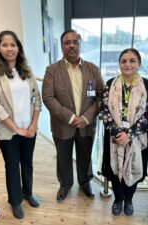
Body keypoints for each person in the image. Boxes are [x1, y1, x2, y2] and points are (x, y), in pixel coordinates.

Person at [42, 29, 104, 202]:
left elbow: (101, 96)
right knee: (63, 157)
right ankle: (65, 184)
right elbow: (47, 97)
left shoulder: (93, 69)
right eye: (67, 42)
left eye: (75, 42)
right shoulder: (52, 70)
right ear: (61, 46)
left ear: (80, 44)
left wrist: (85, 118)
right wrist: (70, 117)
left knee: (85, 155)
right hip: (62, 125)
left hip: (87, 124)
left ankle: (85, 182)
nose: (71, 45)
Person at [0, 30, 41, 219]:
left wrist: (33, 124)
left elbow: (36, 99)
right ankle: (15, 201)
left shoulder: (27, 70)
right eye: (5, 45)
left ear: (18, 48)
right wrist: (17, 129)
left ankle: (28, 192)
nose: (9, 48)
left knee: (27, 163)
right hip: (8, 131)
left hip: (29, 129)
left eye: (13, 44)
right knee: (12, 166)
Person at [100, 48, 148, 216]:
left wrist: (129, 134)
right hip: (114, 137)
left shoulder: (147, 86)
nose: (127, 64)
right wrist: (118, 133)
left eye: (132, 60)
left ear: (139, 64)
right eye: (123, 61)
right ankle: (118, 199)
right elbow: (104, 111)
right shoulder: (110, 84)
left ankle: (129, 199)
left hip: (137, 139)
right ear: (119, 64)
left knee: (132, 168)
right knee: (115, 170)